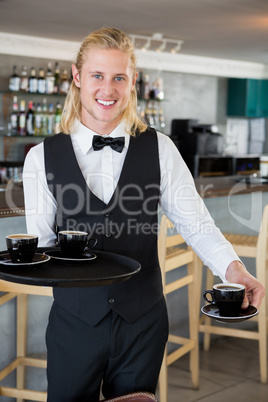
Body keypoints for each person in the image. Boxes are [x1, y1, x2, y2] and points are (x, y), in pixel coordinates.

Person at [23, 27, 265, 401]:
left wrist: (235, 270)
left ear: (133, 81)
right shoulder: (40, 158)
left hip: (144, 321)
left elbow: (196, 223)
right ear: (76, 77)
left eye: (119, 77)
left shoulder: (161, 149)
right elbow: (42, 248)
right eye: (97, 76)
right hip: (75, 323)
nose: (108, 90)